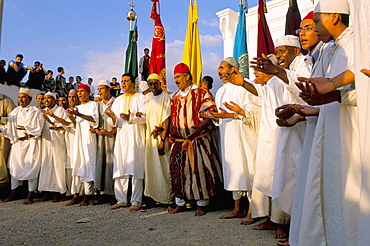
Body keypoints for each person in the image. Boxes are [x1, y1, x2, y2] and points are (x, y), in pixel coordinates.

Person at [288, 1, 360, 245]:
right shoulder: (332, 50)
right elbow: (329, 99)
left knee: (351, 199)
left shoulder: (357, 44)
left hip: (353, 137)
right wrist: (302, 109)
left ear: (336, 17)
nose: (315, 28)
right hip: (330, 135)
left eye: (317, 21)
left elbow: (361, 89)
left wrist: (334, 90)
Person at [203, 58, 254, 223]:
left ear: (233, 69)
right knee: (233, 170)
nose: (219, 71)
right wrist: (213, 117)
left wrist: (228, 115)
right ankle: (237, 208)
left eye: (222, 67)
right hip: (227, 136)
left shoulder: (244, 86)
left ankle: (252, 211)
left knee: (247, 168)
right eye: (218, 68)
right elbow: (220, 115)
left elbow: (251, 112)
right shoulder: (220, 92)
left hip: (243, 134)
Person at [168, 63, 222, 216]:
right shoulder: (175, 97)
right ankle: (180, 202)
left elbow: (210, 114)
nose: (176, 80)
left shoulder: (201, 92)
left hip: (198, 140)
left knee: (199, 171)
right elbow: (173, 118)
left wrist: (195, 132)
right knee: (178, 171)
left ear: (187, 77)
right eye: (175, 78)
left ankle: (201, 204)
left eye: (178, 77)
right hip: (180, 142)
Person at [51, 84, 98, 206]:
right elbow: (76, 125)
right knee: (78, 164)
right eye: (79, 92)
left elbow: (94, 120)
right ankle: (76, 194)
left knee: (88, 164)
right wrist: (72, 118)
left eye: (82, 91)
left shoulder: (93, 105)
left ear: (88, 93)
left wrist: (79, 115)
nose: (80, 94)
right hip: (79, 138)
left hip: (89, 139)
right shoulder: (77, 108)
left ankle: (88, 195)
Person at [106, 73, 146, 211]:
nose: (123, 83)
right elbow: (114, 123)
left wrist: (131, 118)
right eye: (122, 81)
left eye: (126, 81)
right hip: (122, 137)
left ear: (133, 83)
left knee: (136, 169)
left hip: (136, 137)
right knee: (120, 168)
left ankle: (136, 201)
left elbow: (145, 118)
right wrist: (112, 117)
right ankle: (121, 200)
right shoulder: (117, 100)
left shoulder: (141, 98)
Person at [0, 88, 43, 204]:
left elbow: (38, 130)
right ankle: (13, 193)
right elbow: (9, 128)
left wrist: (26, 128)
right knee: (14, 168)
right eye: (19, 97)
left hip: (30, 143)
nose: (21, 100)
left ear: (29, 99)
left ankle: (30, 194)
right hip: (17, 143)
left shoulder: (35, 111)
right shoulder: (15, 112)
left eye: (24, 97)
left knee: (31, 168)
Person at [143, 73, 173, 205]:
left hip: (162, 137)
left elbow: (166, 120)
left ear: (160, 84)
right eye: (150, 84)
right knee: (151, 167)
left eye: (156, 83)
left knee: (164, 167)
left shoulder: (165, 97)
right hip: (150, 138)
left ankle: (167, 198)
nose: (153, 86)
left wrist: (162, 141)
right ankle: (154, 197)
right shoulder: (147, 97)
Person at [38, 92, 68, 202]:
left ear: (54, 100)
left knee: (57, 166)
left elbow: (64, 125)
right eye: (45, 98)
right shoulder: (42, 111)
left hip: (58, 142)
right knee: (46, 166)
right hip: (46, 142)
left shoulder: (60, 110)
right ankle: (46, 191)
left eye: (49, 98)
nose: (46, 100)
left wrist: (53, 123)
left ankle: (58, 191)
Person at [90, 80, 116, 205]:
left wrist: (109, 132)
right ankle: (102, 192)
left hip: (113, 137)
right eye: (98, 89)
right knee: (101, 163)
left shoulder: (116, 102)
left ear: (109, 89)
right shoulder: (97, 104)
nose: (99, 91)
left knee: (112, 164)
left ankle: (113, 193)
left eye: (102, 89)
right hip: (101, 138)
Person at [0, 94, 16, 187]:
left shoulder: (6, 100)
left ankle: (3, 184)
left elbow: (14, 118)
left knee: (1, 160)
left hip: (2, 135)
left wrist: (1, 119)